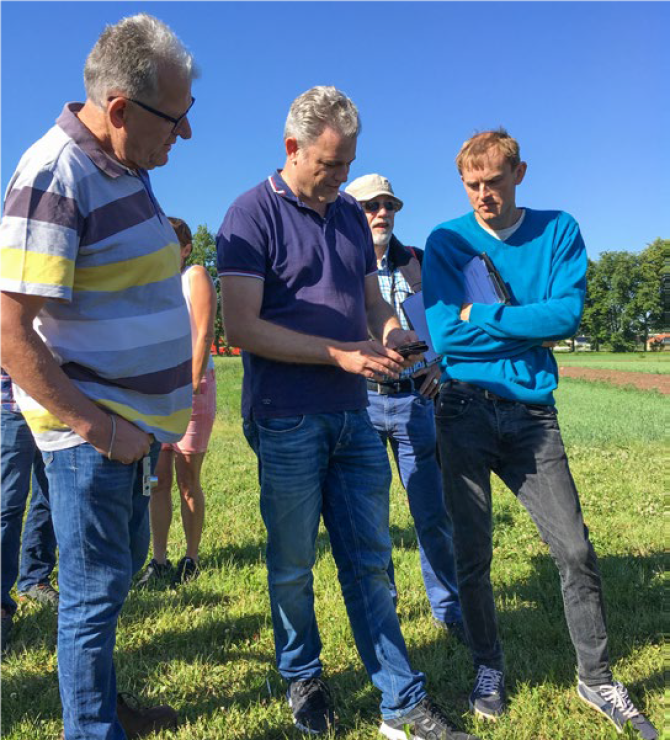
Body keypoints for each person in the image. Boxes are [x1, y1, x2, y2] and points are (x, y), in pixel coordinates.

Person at [217, 86, 480, 740]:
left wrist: (394, 336)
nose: (340, 180)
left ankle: (401, 702)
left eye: (348, 164)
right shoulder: (248, 216)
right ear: (292, 148)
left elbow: (373, 308)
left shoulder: (346, 219)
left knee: (370, 562)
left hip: (353, 417)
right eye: (329, 166)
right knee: (292, 564)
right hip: (286, 418)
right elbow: (244, 328)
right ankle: (302, 672)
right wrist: (340, 356)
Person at [423, 129, 657, 740]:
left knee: (575, 548)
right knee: (472, 554)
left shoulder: (558, 230)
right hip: (463, 410)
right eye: (471, 185)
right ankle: (487, 667)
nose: (482, 196)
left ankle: (596, 676)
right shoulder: (447, 240)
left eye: (493, 182)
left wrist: (487, 316)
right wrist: (523, 326)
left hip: (531, 416)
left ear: (519, 173)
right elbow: (445, 337)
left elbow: (566, 314)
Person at [0, 14, 197, 739]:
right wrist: (99, 427)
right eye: (175, 120)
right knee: (88, 597)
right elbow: (8, 332)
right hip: (94, 437)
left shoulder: (123, 167)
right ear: (120, 109)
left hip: (126, 436)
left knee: (108, 589)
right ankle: (91, 730)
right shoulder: (56, 171)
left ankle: (104, 708)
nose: (183, 135)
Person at [344, 174, 463, 641]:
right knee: (371, 516)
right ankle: (383, 606)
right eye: (372, 206)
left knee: (431, 512)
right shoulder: (340, 268)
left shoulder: (417, 262)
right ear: (351, 212)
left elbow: (448, 321)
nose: (382, 214)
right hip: (363, 405)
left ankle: (449, 610)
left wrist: (444, 364)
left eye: (389, 205)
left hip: (416, 402)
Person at [139, 217, 217, 587]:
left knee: (188, 478)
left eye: (172, 241)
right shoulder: (152, 283)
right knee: (158, 480)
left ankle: (191, 557)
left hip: (190, 388)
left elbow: (203, 333)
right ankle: (159, 559)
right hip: (156, 392)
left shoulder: (194, 276)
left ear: (186, 249)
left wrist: (191, 383)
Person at [0, 366, 58, 656]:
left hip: (55, 406)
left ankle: (35, 578)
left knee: (51, 497)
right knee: (7, 505)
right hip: (11, 405)